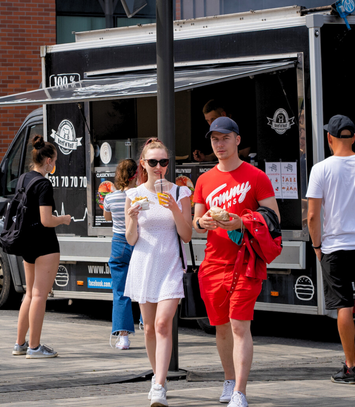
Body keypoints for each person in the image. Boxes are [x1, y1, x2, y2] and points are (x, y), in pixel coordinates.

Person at [192, 117, 280, 407]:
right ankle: (229, 380)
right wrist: (202, 221)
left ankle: (240, 391)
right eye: (214, 139)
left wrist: (240, 222)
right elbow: (197, 220)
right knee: (220, 327)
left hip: (246, 262)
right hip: (213, 264)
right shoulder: (204, 179)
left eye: (225, 138)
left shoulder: (256, 176)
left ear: (237, 140)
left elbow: (273, 219)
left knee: (240, 325)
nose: (219, 144)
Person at [307, 115, 355, 385]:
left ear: (329, 138)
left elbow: (313, 216)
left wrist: (316, 245)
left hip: (334, 247)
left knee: (344, 306)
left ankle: (351, 368)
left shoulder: (321, 169)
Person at [125, 138, 192, 407]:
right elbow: (131, 240)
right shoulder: (133, 194)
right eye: (153, 162)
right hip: (144, 264)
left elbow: (186, 235)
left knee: (164, 324)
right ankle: (157, 377)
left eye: (164, 162)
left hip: (170, 265)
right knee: (149, 328)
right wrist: (130, 218)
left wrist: (174, 208)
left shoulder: (180, 193)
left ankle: (160, 385)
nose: (159, 167)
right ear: (143, 163)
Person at [13, 135, 71, 359]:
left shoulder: (23, 179)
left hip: (26, 241)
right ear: (47, 160)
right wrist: (63, 219)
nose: (55, 164)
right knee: (39, 295)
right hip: (44, 243)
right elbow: (47, 219)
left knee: (29, 293)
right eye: (54, 160)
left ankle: (20, 344)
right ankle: (35, 347)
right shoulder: (44, 184)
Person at [104, 159, 138, 350]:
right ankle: (146, 325)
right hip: (138, 241)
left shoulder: (110, 198)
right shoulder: (140, 197)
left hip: (118, 243)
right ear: (136, 175)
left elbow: (107, 217)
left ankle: (123, 337)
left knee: (120, 291)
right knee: (146, 289)